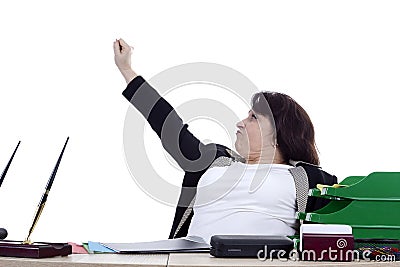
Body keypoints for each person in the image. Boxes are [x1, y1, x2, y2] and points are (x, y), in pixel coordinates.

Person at [113, 38, 336, 244]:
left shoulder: (308, 180)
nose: (240, 123)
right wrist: (127, 69)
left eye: (253, 118)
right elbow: (169, 127)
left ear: (279, 136)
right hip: (190, 261)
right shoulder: (214, 161)